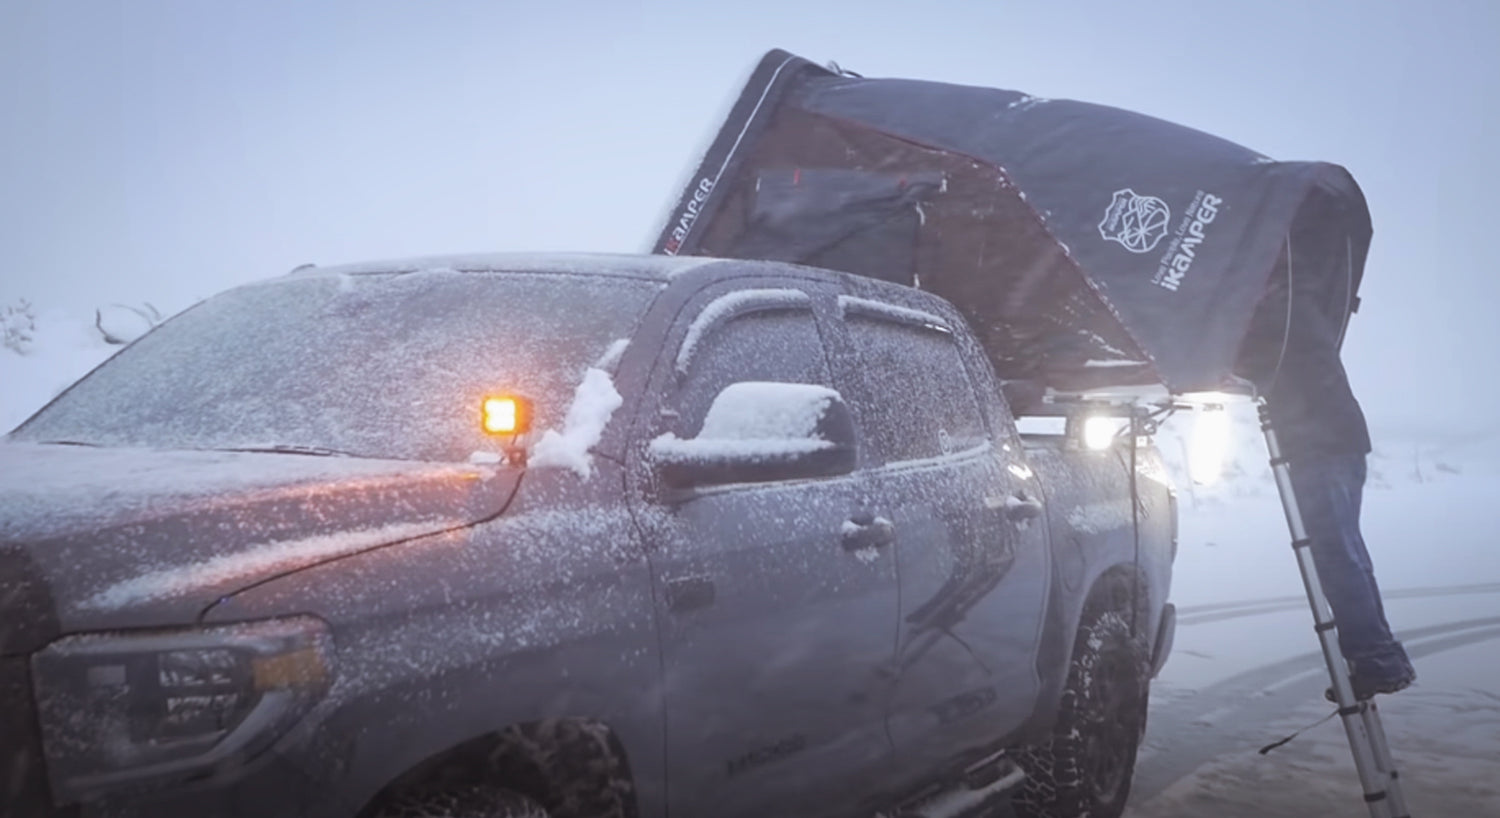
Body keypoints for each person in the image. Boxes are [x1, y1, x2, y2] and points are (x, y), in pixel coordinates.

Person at [1235, 238, 1416, 701]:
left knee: (1335, 554)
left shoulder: (1281, 308)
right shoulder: (1299, 298)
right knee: (1346, 552)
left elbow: (1254, 362)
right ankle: (1379, 655)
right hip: (1337, 441)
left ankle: (1376, 658)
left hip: (1321, 444)